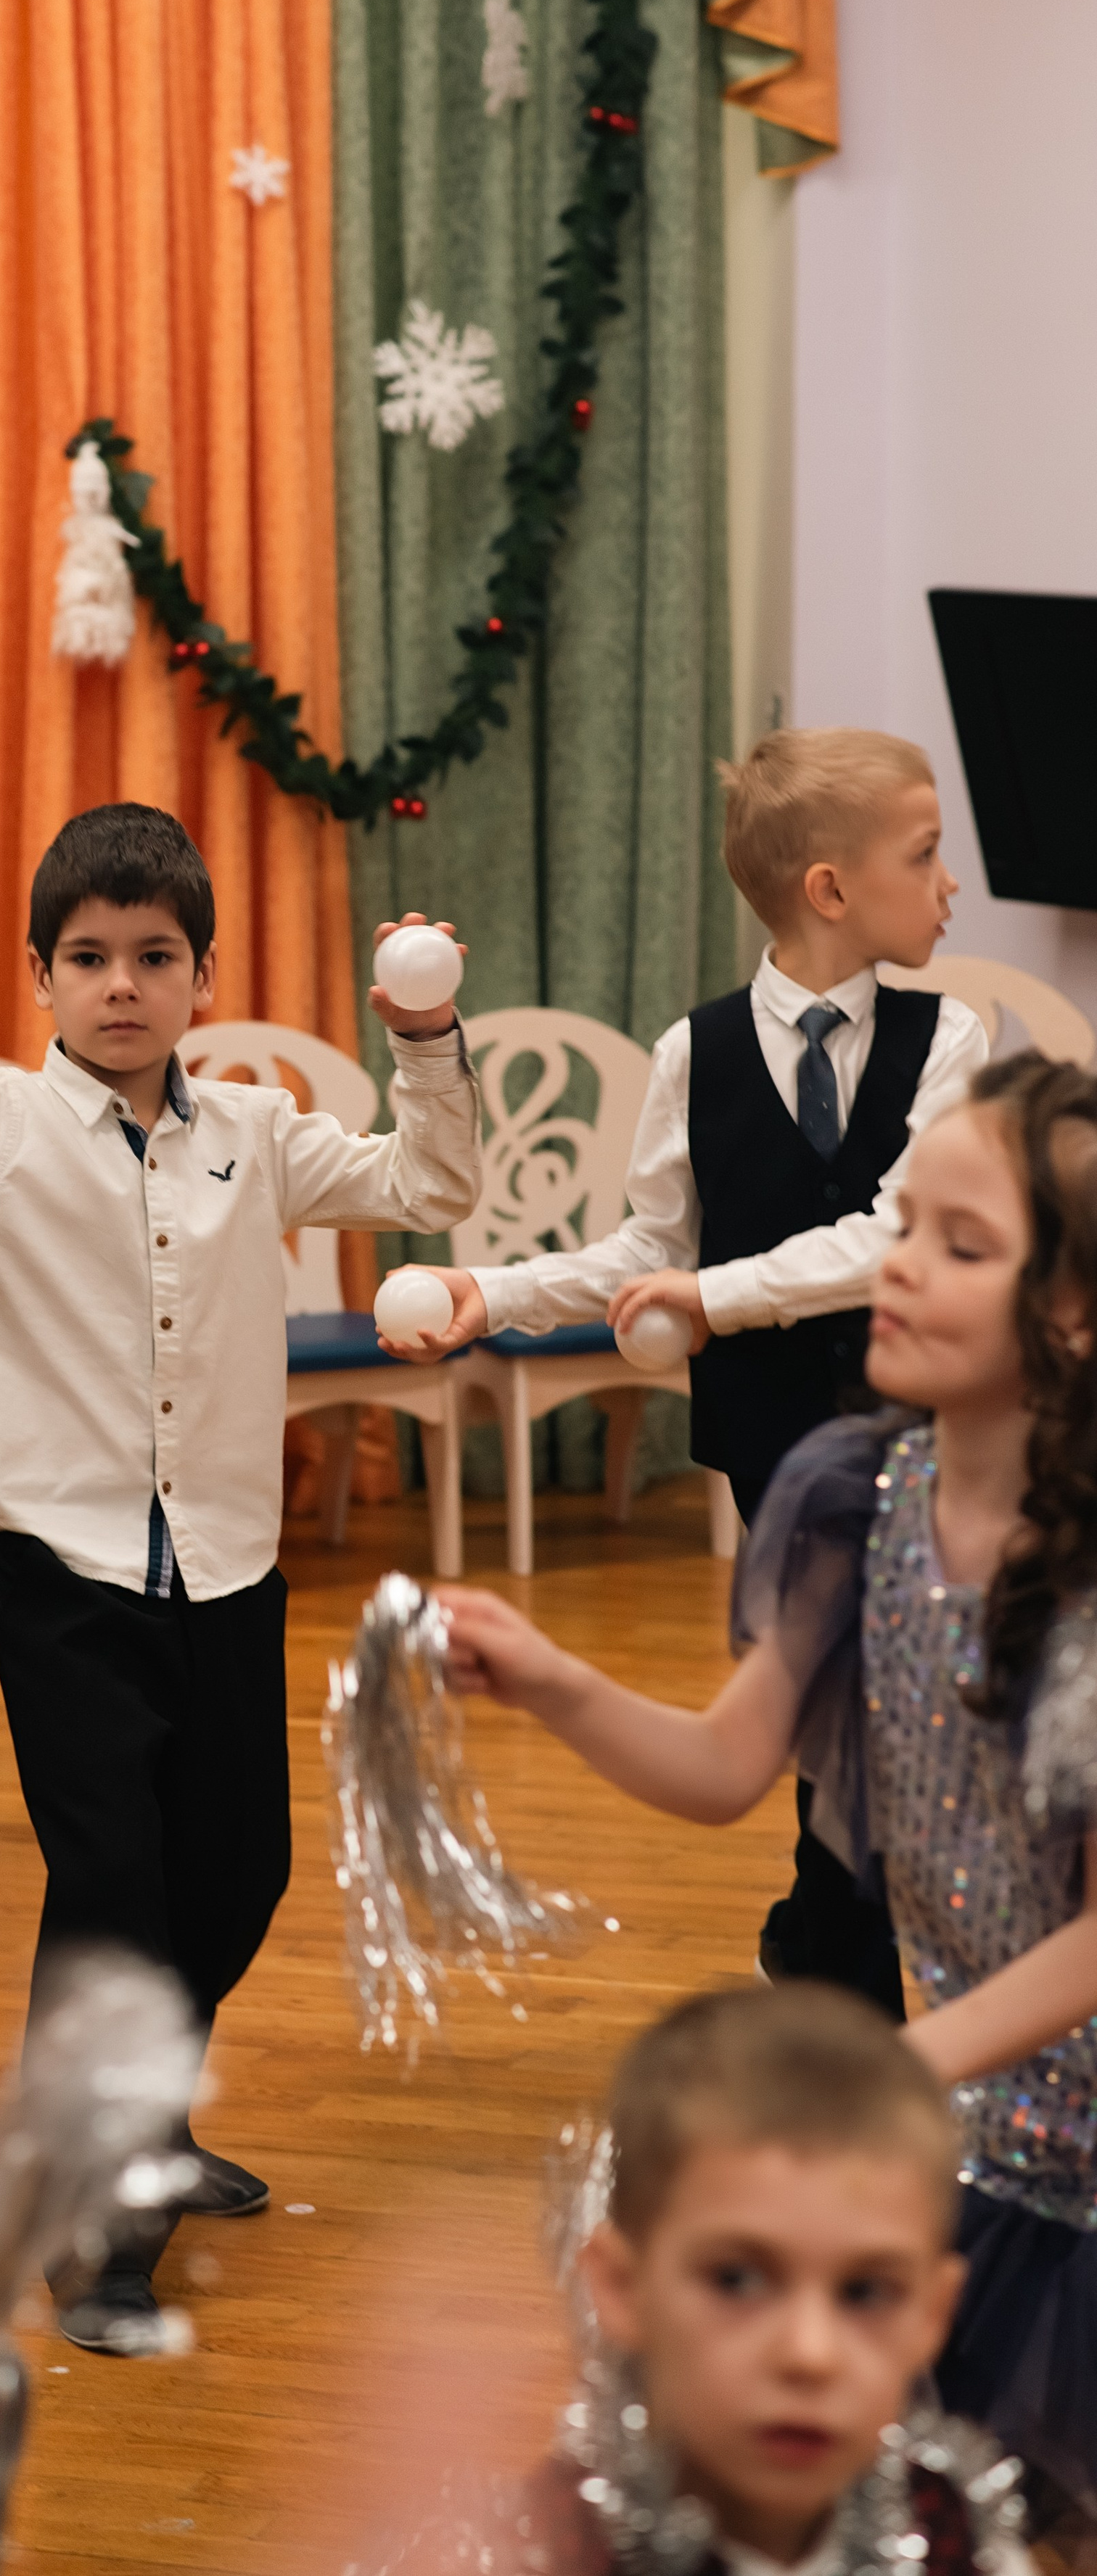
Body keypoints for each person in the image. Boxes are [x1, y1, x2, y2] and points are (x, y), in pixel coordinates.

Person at [0, 801, 480, 2353]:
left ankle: (142, 2106)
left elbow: (436, 1181)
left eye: (153, 957)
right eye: (88, 958)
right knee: (112, 1884)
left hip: (223, 1564)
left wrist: (421, 1028)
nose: (121, 984)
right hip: (55, 1564)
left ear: (200, 979)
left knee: (237, 1867)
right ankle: (94, 2213)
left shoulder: (258, 1135)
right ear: (41, 976)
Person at [437, 1054, 1097, 2543]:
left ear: (1068, 1313)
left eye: (958, 1244)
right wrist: (548, 1679)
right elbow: (725, 1767)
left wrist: (905, 2067)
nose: (899, 1266)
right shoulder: (854, 1497)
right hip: (985, 2139)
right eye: (901, 1222)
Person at [387, 730, 988, 2013]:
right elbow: (649, 1250)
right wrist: (486, 1292)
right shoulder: (694, 1052)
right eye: (927, 855)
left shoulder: (952, 1041)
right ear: (830, 889)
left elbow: (888, 1236)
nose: (952, 886)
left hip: (923, 1438)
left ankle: (828, 1960)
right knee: (835, 1703)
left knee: (886, 1710)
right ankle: (840, 1977)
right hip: (777, 1446)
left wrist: (713, 1298)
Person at [479, 1983, 1030, 2576]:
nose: (809, 2354)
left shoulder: (955, 2527)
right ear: (621, 2288)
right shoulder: (542, 2551)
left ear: (932, 2313)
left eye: (865, 2291)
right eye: (736, 2280)